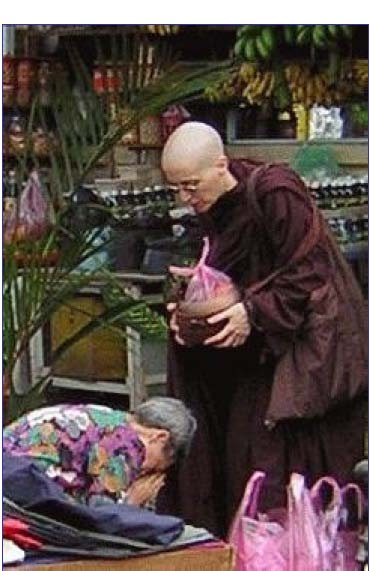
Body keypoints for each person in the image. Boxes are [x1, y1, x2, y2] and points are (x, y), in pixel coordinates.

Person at [159, 121, 368, 538]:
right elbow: (232, 273)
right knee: (221, 470)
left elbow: (309, 274)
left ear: (221, 165)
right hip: (239, 368)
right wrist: (193, 295)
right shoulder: (215, 206)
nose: (185, 198)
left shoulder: (274, 192)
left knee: (272, 479)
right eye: (176, 189)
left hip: (290, 365)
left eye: (191, 185)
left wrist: (251, 313)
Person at [3, 397, 197, 510]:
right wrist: (133, 502)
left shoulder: (105, 416)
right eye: (157, 465)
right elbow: (104, 515)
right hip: (20, 489)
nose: (145, 472)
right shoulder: (127, 443)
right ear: (160, 437)